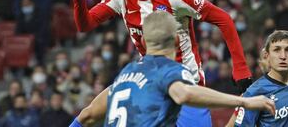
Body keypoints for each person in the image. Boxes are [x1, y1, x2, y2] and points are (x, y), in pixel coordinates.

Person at [71, 0, 252, 126]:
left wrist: (240, 68)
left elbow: (224, 19)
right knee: (88, 115)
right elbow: (85, 24)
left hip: (186, 81)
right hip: (147, 80)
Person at [69, 11, 275, 127]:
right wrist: (244, 101)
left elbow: (86, 116)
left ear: (143, 40)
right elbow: (185, 94)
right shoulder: (171, 71)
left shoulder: (125, 74)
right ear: (177, 40)